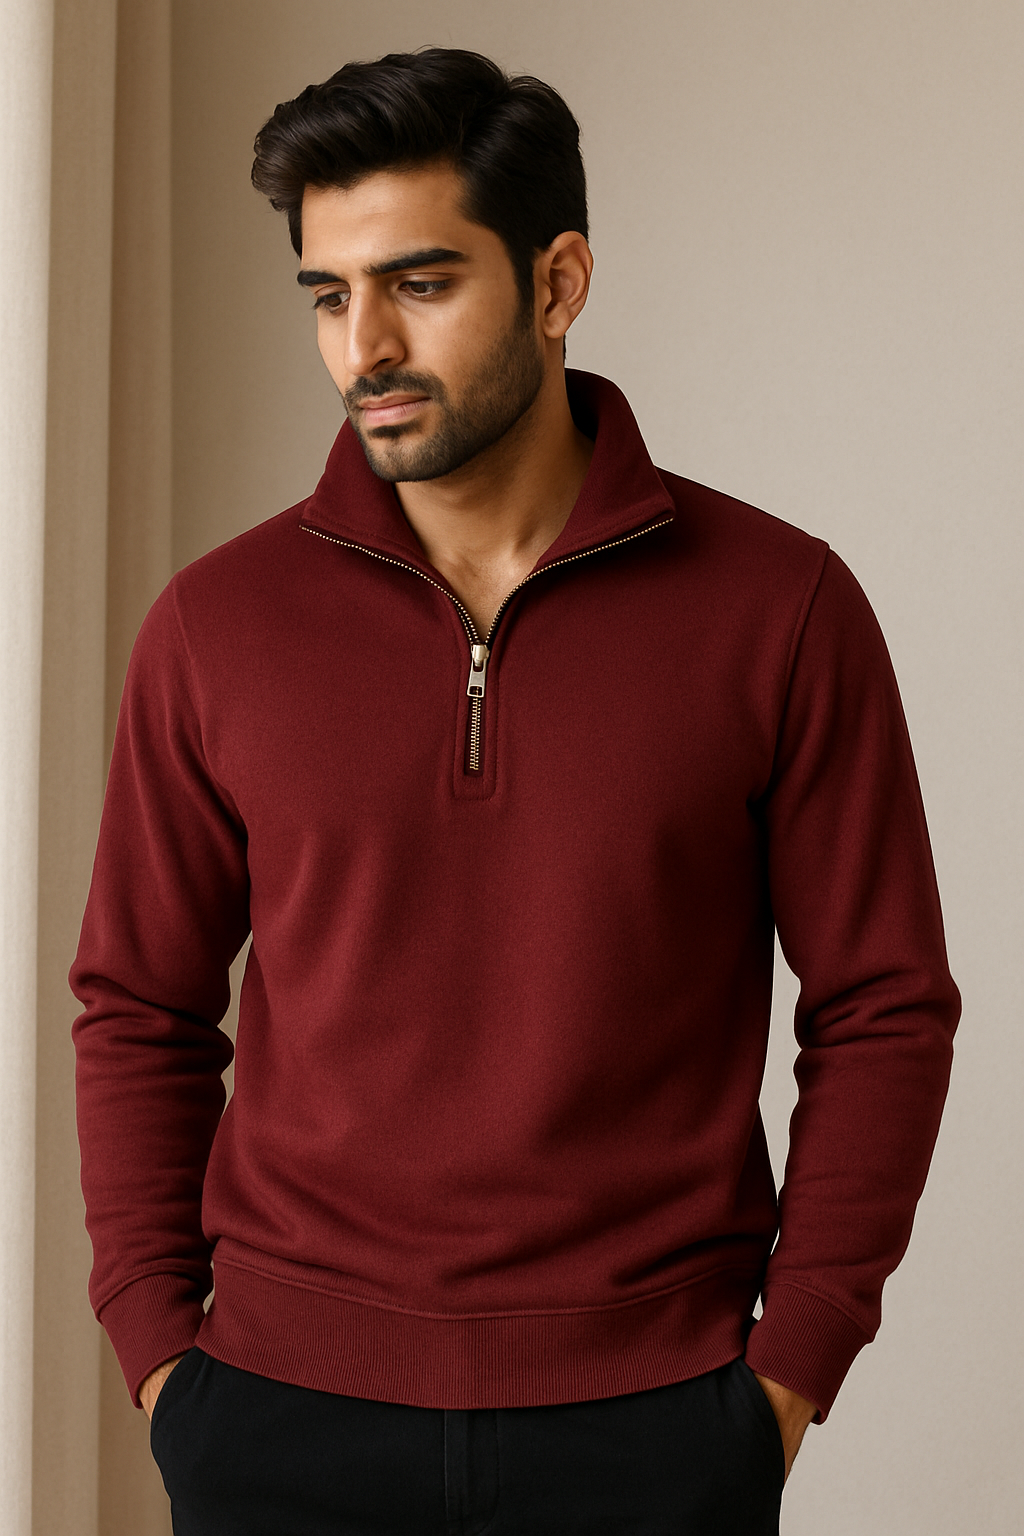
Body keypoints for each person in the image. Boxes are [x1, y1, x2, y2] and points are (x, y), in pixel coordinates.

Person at [71, 47, 960, 1536]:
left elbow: (885, 1005)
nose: (365, 346)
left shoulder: (780, 609)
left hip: (652, 1427)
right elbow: (139, 1009)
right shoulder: (216, 627)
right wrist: (163, 1355)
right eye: (328, 295)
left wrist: (790, 1368)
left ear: (558, 283)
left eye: (419, 284)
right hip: (277, 1420)